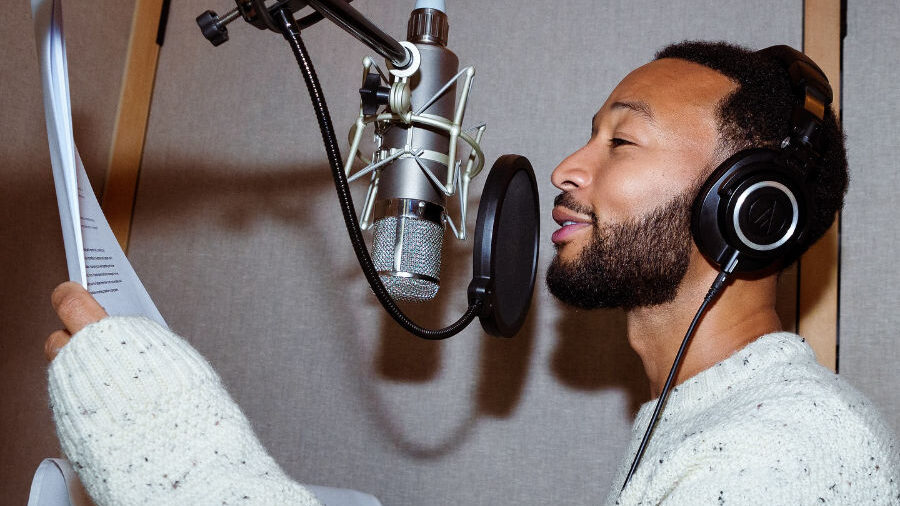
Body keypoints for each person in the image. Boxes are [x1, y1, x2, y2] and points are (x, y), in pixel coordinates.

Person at [45, 41, 899, 505]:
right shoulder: (711, 421)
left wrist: (158, 432)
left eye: (621, 139)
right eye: (587, 132)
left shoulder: (784, 456)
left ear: (748, 209)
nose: (568, 166)